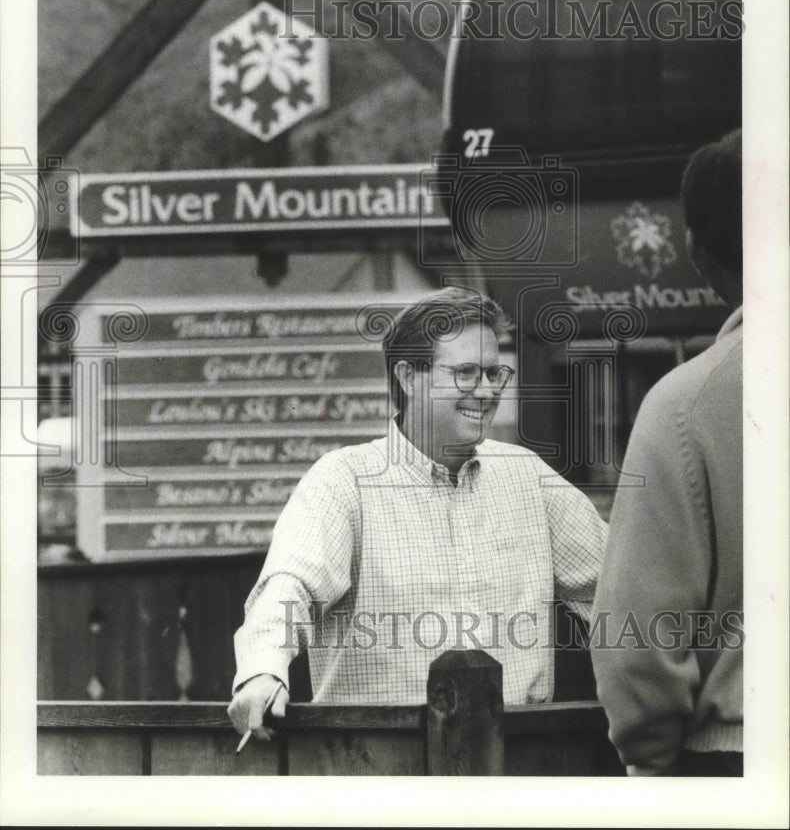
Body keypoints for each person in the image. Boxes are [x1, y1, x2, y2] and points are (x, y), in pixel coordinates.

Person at [229, 286, 607, 741]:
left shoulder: (527, 477)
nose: (486, 391)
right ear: (408, 376)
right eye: (466, 373)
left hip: (519, 764)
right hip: (379, 767)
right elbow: (291, 586)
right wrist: (263, 670)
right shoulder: (344, 480)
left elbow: (620, 583)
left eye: (493, 373)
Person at [591, 129, 744, 776]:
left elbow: (638, 644)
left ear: (698, 255)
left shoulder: (686, 404)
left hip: (742, 767)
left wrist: (653, 767)